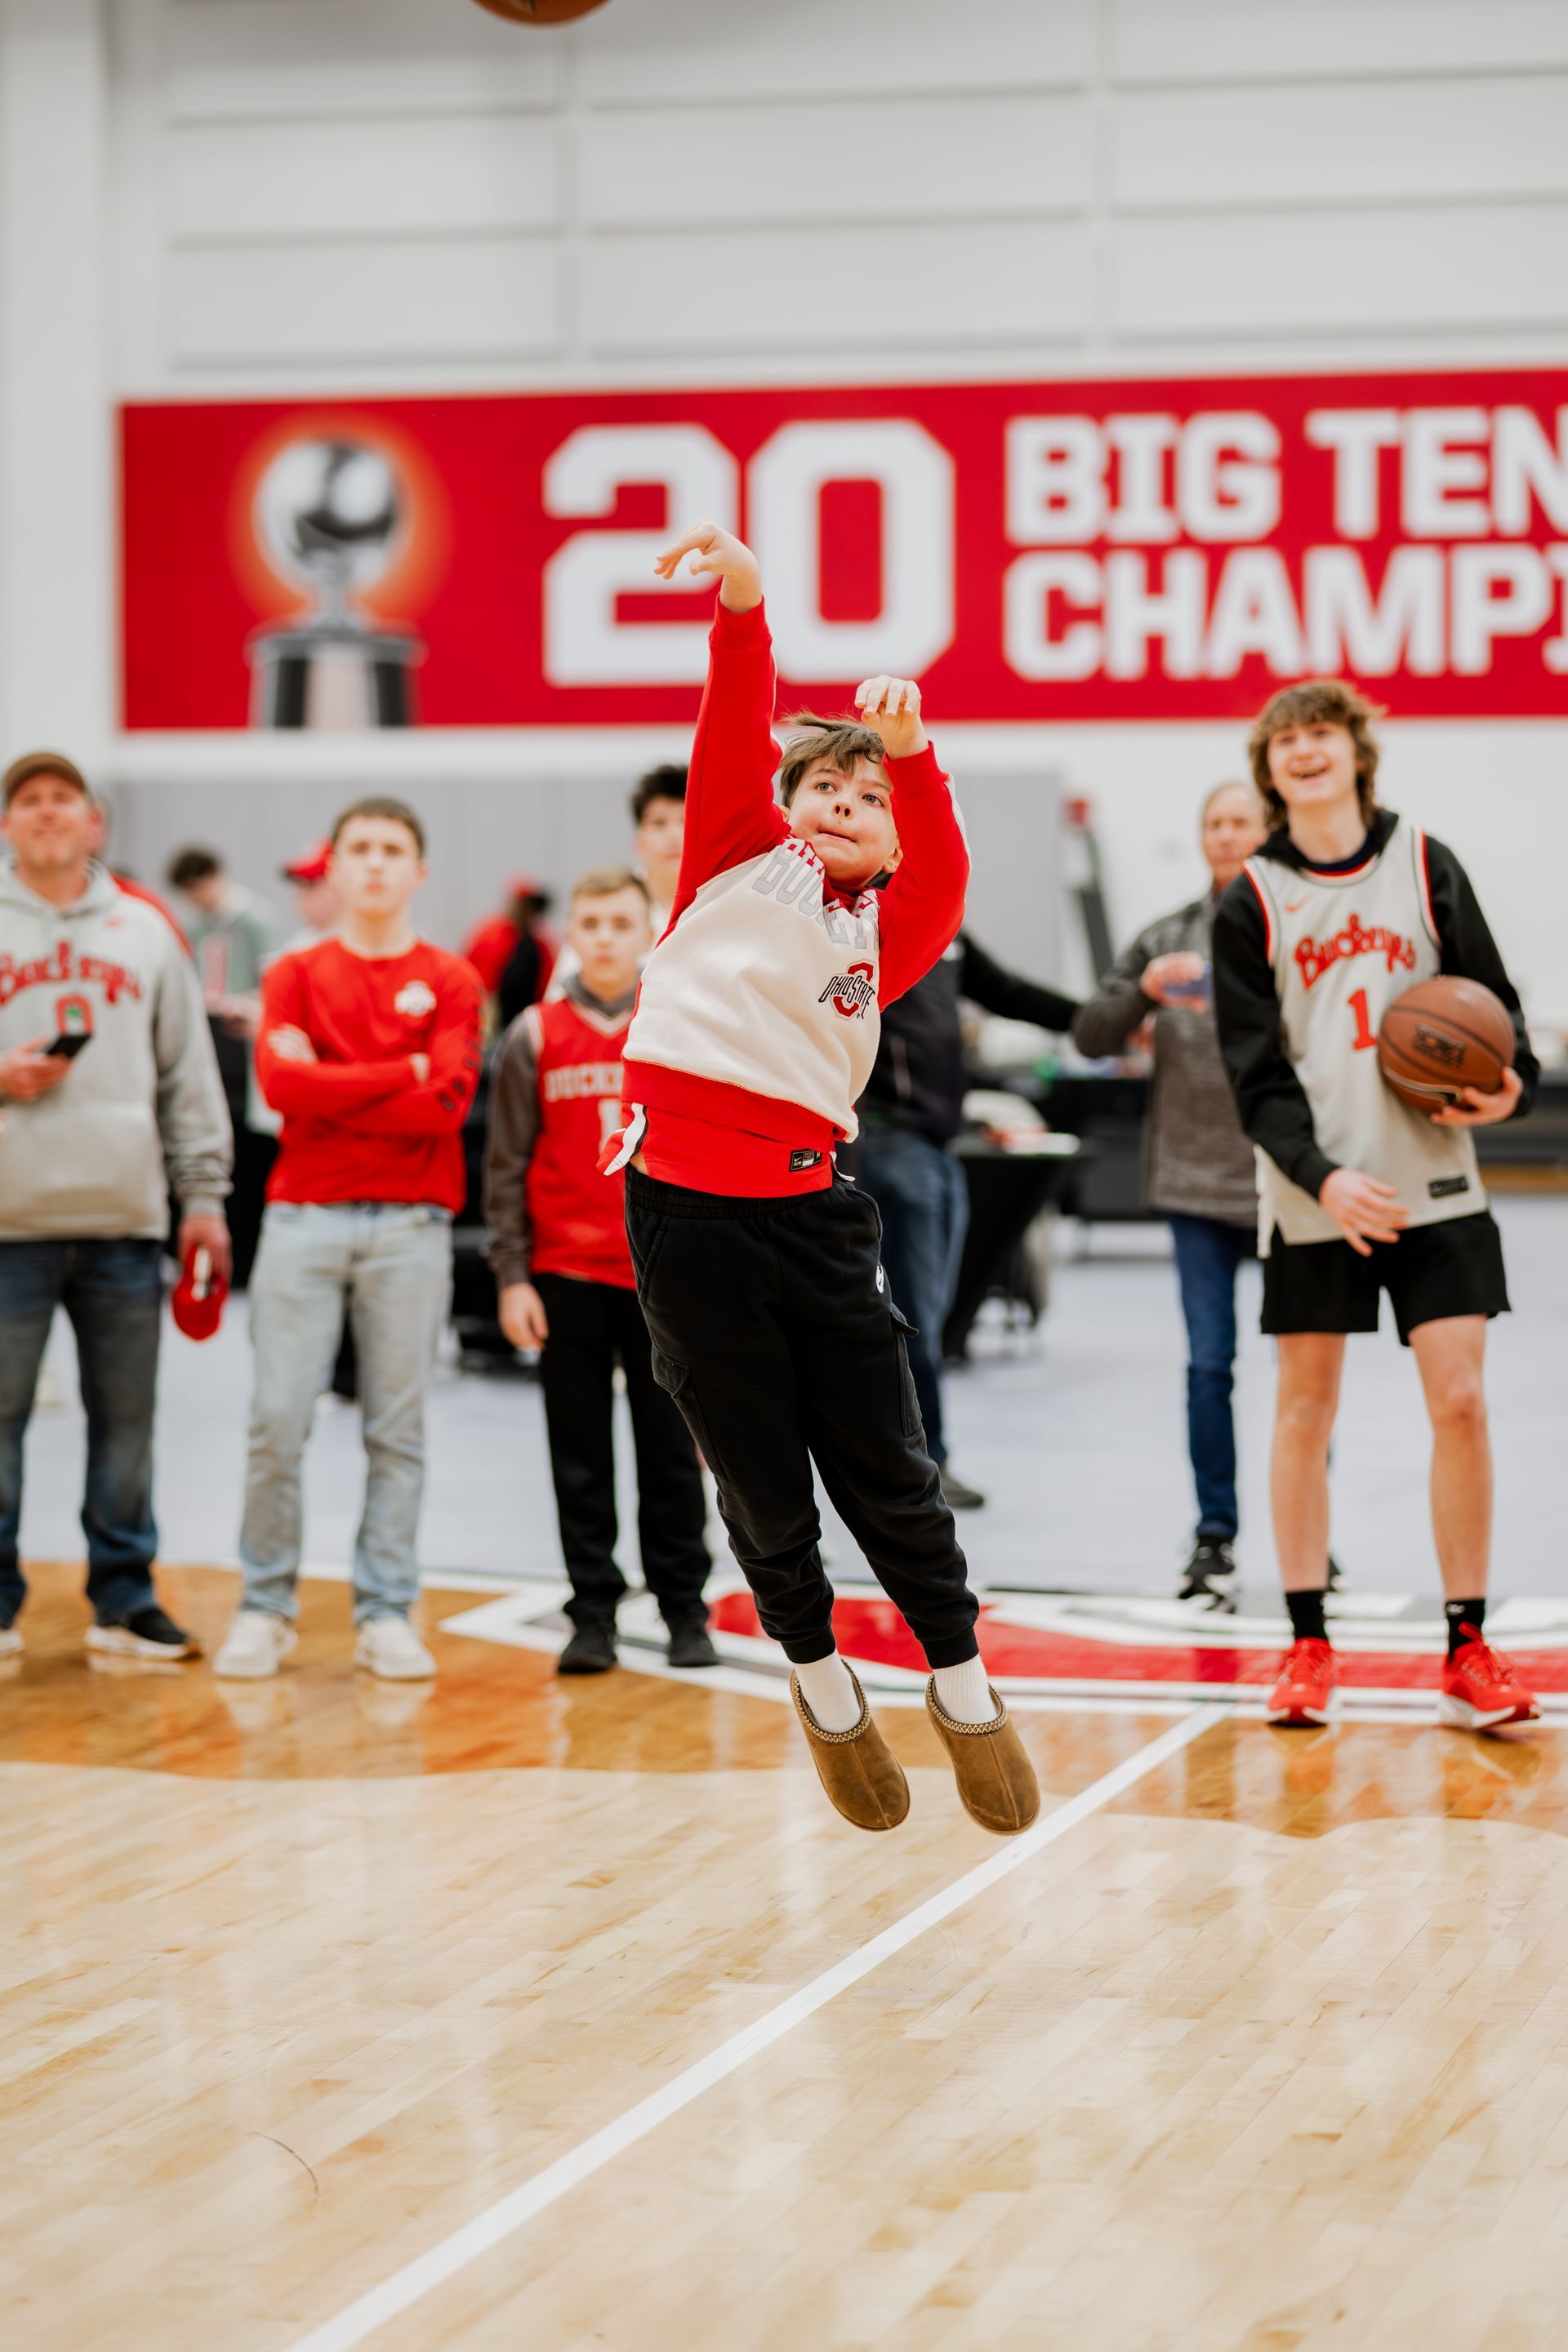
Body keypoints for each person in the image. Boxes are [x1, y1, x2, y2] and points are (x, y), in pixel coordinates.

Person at [609, 519, 1039, 1838]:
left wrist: (917, 755)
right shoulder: (738, 855)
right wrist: (742, 594)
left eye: (871, 802)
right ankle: (822, 1685)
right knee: (759, 1484)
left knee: (887, 1469)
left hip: (809, 1212)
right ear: (788, 807)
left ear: (893, 841)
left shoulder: (894, 930)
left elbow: (949, 867)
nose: (846, 806)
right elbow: (735, 712)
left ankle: (961, 1688)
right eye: (829, 790)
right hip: (682, 1213)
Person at [1213, 681, 1539, 1731]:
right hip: (1317, 1194)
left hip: (1436, 1181)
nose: (1306, 754)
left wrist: (1509, 1080)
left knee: (1462, 1403)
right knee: (1305, 1412)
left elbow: (1495, 1009)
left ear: (1356, 755)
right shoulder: (1250, 900)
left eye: (1323, 736)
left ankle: (1468, 1645)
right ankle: (1308, 1642)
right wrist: (1322, 1176)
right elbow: (1255, 1078)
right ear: (1271, 770)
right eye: (1287, 742)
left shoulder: (1425, 861)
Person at [214, 797, 483, 1682]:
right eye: (358, 849)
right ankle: (264, 1606)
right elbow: (286, 1090)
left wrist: (344, 1081)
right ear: (333, 868)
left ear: (418, 870)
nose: (373, 864)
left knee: (396, 1429)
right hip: (303, 1218)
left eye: (391, 849)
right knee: (275, 1422)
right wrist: (397, 1070)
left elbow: (446, 1103)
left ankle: (387, 1610)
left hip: (411, 1224)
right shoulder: (295, 973)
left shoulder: (450, 980)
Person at [0, 751, 232, 1660]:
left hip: (127, 1225)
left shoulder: (145, 932)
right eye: (30, 800)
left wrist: (204, 1196)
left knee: (126, 1428)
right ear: (10, 824)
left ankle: (125, 1598)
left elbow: (190, 1076)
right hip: (9, 1226)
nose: (49, 812)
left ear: (95, 823)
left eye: (66, 799)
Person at [485, 865, 715, 1674]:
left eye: (623, 923)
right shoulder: (535, 1034)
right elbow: (505, 1163)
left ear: (648, 931)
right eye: (594, 925)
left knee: (671, 1456)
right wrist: (512, 1274)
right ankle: (593, 1613)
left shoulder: (678, 1025)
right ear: (573, 935)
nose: (608, 939)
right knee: (579, 1458)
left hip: (662, 1278)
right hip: (564, 1275)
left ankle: (685, 1607)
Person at [1073, 782, 1270, 1606]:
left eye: (1241, 824)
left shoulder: (1303, 935)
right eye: (1214, 824)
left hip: (1289, 1183)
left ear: (1270, 834)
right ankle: (1213, 1538)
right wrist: (1144, 992)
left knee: (1306, 1372)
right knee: (1207, 1366)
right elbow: (1090, 1034)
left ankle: (1311, 1537)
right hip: (1192, 1182)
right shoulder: (1166, 938)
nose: (1226, 836)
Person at [858, 936, 1079, 1509]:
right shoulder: (859, 911)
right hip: (887, 1137)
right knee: (910, 1314)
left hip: (936, 1141)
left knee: (925, 1311)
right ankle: (922, 1464)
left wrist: (1096, 1020)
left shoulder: (943, 927)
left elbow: (1006, 992)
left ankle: (915, 1460)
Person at [167, 846, 285, 1289]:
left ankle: (248, 1260)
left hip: (245, 1045)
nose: (196, 900)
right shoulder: (197, 926)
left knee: (249, 1153)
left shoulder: (256, 919)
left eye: (199, 889)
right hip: (209, 1038)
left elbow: (274, 981)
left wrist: (249, 1004)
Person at [546, 762, 688, 1000]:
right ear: (639, 841)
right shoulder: (606, 905)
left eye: (686, 821)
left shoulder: (722, 903)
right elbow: (560, 1004)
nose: (674, 835)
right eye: (659, 823)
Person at [463, 877, 558, 1029]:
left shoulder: (540, 942)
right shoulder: (493, 934)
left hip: (529, 1019)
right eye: (525, 905)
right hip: (493, 1017)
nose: (529, 912)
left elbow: (550, 983)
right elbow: (474, 975)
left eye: (533, 907)